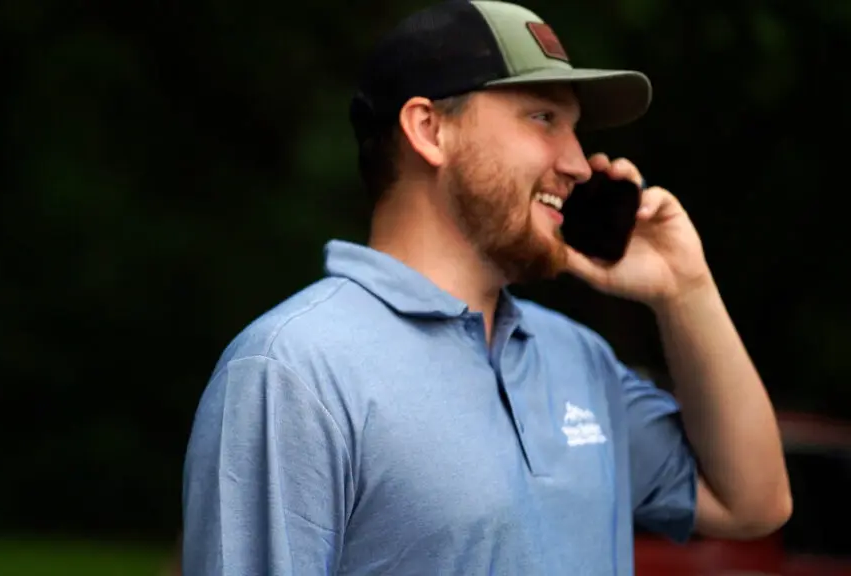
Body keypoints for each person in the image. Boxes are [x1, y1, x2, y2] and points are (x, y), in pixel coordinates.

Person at [182, 1, 792, 574]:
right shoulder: (293, 369)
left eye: (575, 129)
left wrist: (685, 289)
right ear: (430, 130)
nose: (579, 164)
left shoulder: (579, 359)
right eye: (543, 118)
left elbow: (753, 505)